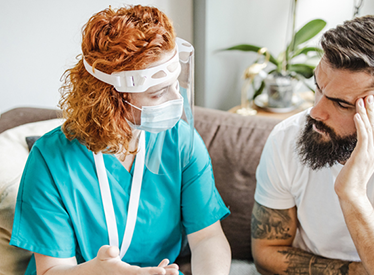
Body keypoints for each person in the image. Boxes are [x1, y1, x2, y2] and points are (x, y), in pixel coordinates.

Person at [10, 5, 231, 275]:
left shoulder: (181, 141)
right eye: (158, 93)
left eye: (176, 85)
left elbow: (207, 237)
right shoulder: (50, 160)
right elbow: (51, 269)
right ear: (112, 98)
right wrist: (97, 271)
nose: (177, 100)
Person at [252, 15, 374, 274]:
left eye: (341, 103)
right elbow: (265, 254)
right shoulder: (285, 138)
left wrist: (352, 193)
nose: (315, 112)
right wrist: (365, 268)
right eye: (317, 87)